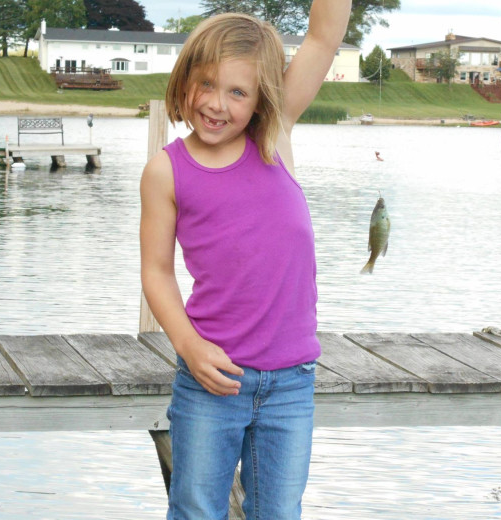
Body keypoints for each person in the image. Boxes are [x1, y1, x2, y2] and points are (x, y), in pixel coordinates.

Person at [139, 3, 351, 519]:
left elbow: (323, 38)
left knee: (278, 513)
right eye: (206, 84)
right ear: (185, 80)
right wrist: (188, 347)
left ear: (261, 101)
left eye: (238, 92)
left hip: (291, 382)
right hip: (212, 379)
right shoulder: (166, 171)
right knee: (195, 511)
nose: (216, 104)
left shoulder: (271, 138)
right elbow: (157, 273)